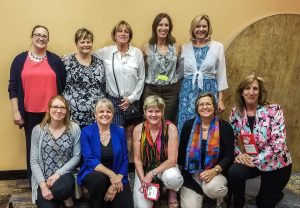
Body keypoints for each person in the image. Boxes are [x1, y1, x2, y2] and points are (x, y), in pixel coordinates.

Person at [8, 25, 66, 181]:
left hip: (53, 113)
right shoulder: (20, 60)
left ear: (48, 39)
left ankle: (54, 181)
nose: (41, 38)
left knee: (54, 147)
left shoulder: (55, 60)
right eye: (38, 35)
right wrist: (15, 111)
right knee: (34, 149)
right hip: (29, 113)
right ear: (32, 37)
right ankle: (35, 183)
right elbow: (12, 88)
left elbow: (63, 85)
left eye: (45, 36)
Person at [228, 75, 292, 208]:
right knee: (234, 172)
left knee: (264, 203)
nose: (251, 92)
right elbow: (230, 139)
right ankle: (238, 202)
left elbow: (279, 143)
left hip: (276, 163)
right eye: (247, 88)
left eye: (255, 88)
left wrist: (256, 160)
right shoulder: (236, 113)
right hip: (252, 159)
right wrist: (239, 154)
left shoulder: (274, 110)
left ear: (260, 92)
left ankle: (275, 193)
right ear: (241, 92)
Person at [94, 20, 145, 167]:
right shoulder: (106, 52)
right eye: (120, 31)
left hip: (132, 100)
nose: (123, 34)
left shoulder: (137, 53)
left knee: (129, 133)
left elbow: (142, 78)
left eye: (126, 31)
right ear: (114, 35)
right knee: (116, 134)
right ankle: (115, 166)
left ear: (129, 35)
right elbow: (87, 53)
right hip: (113, 100)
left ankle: (124, 166)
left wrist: (132, 98)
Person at [178, 92, 234, 208]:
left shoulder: (225, 127)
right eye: (201, 104)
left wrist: (214, 171)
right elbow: (181, 156)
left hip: (216, 173)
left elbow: (229, 156)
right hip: (193, 175)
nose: (205, 107)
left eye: (208, 104)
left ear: (214, 106)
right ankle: (202, 194)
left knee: (213, 189)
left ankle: (217, 197)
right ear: (197, 108)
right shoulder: (188, 126)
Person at [77, 98, 133, 208]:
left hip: (117, 174)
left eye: (108, 111)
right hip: (95, 174)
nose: (105, 114)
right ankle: (96, 202)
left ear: (112, 114)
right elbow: (89, 159)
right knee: (97, 180)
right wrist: (111, 175)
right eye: (101, 111)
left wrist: (116, 180)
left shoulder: (120, 131)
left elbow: (125, 158)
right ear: (95, 114)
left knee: (126, 205)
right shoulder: (86, 131)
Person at [177, 14, 228, 135]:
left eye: (204, 26)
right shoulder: (185, 48)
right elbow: (179, 74)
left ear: (208, 28)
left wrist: (220, 100)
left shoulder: (217, 47)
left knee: (207, 126)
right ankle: (185, 153)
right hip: (187, 94)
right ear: (193, 29)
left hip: (209, 91)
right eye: (197, 26)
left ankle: (208, 153)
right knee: (186, 127)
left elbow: (221, 75)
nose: (201, 29)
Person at [133, 95, 184, 208]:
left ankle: (172, 191)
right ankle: (156, 190)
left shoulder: (170, 128)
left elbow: (172, 160)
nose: (154, 114)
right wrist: (143, 180)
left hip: (165, 168)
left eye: (157, 111)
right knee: (142, 206)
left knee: (173, 178)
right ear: (145, 111)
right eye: (150, 111)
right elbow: (137, 159)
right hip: (145, 169)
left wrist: (151, 174)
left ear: (163, 112)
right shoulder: (138, 129)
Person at [30, 95, 81, 208]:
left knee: (61, 190)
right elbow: (34, 161)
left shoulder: (74, 128)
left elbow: (76, 156)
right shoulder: (38, 130)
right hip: (44, 179)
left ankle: (65, 197)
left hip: (65, 175)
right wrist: (43, 186)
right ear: (48, 109)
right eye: (55, 107)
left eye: (62, 108)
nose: (59, 110)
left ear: (67, 111)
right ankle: (65, 200)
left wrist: (57, 174)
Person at [62, 28, 106, 129]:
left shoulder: (99, 63)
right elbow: (60, 84)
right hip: (72, 115)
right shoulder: (66, 61)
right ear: (76, 44)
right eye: (82, 42)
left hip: (95, 115)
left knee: (92, 144)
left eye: (88, 42)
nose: (86, 44)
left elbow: (103, 87)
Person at [142, 13, 181, 123]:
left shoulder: (176, 47)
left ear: (170, 28)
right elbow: (141, 70)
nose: (163, 28)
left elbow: (180, 69)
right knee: (150, 121)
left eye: (166, 25)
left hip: (170, 92)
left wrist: (175, 79)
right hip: (151, 89)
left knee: (167, 122)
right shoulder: (146, 47)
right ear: (155, 27)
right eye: (160, 25)